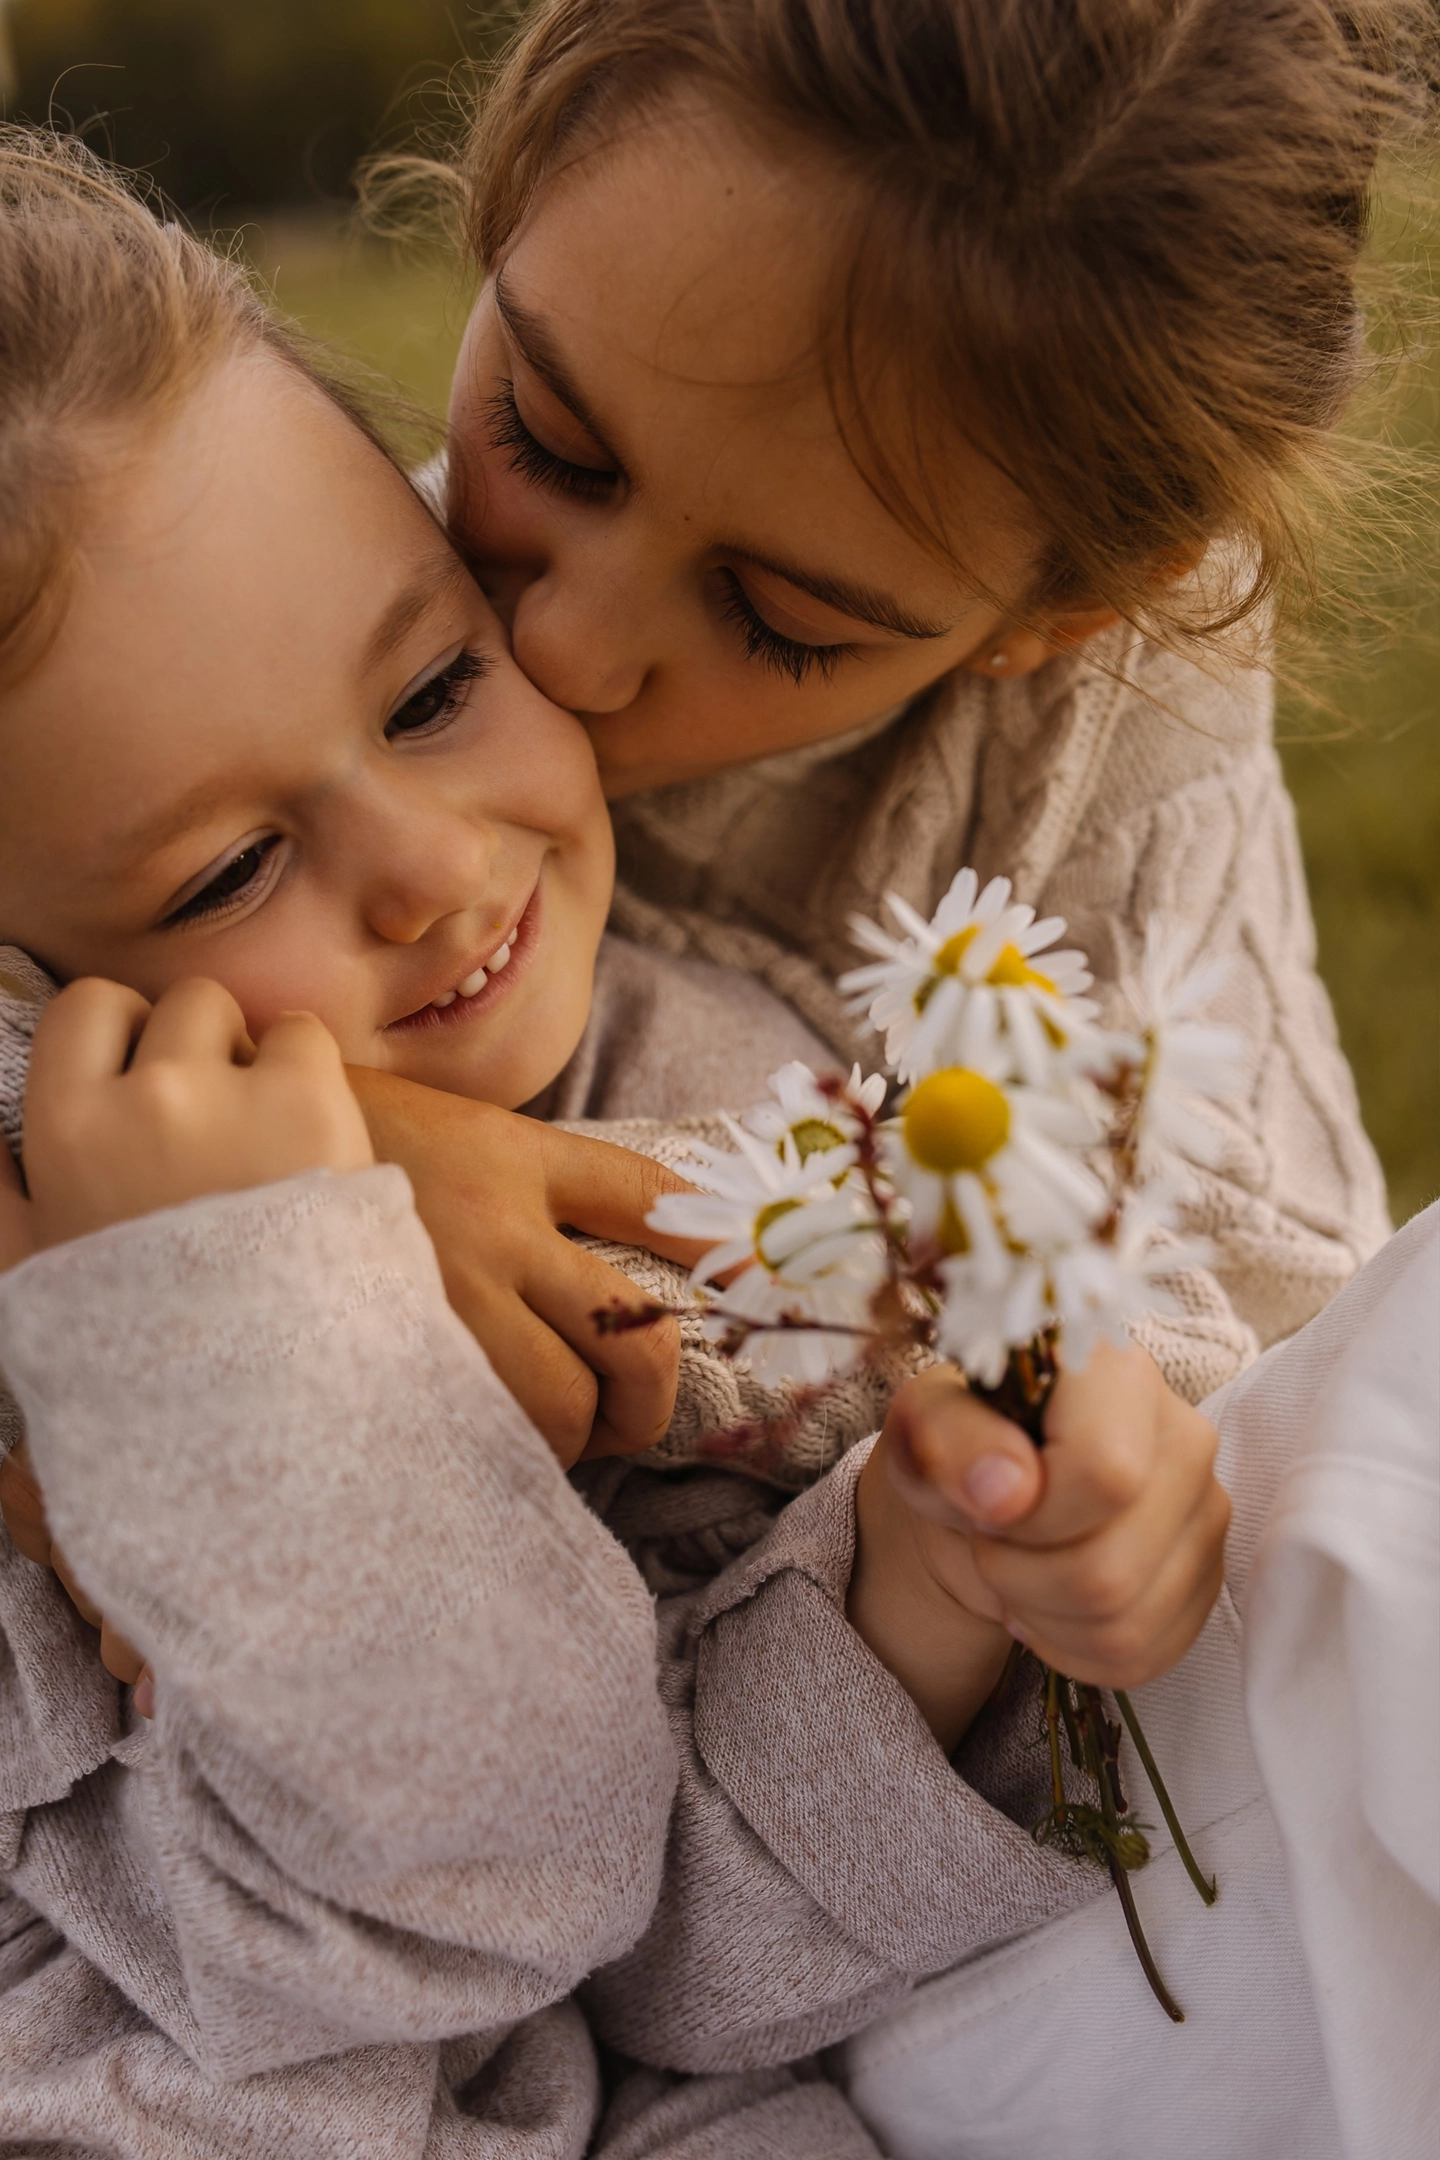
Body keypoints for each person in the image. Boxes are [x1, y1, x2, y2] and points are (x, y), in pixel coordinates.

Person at [0, 130, 1225, 2157]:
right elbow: (481, 1894)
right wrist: (230, 1332)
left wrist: (923, 1601)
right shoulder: (108, 1270)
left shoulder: (734, 1113)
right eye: (225, 871)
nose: (430, 863)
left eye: (436, 681)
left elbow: (661, 1961)